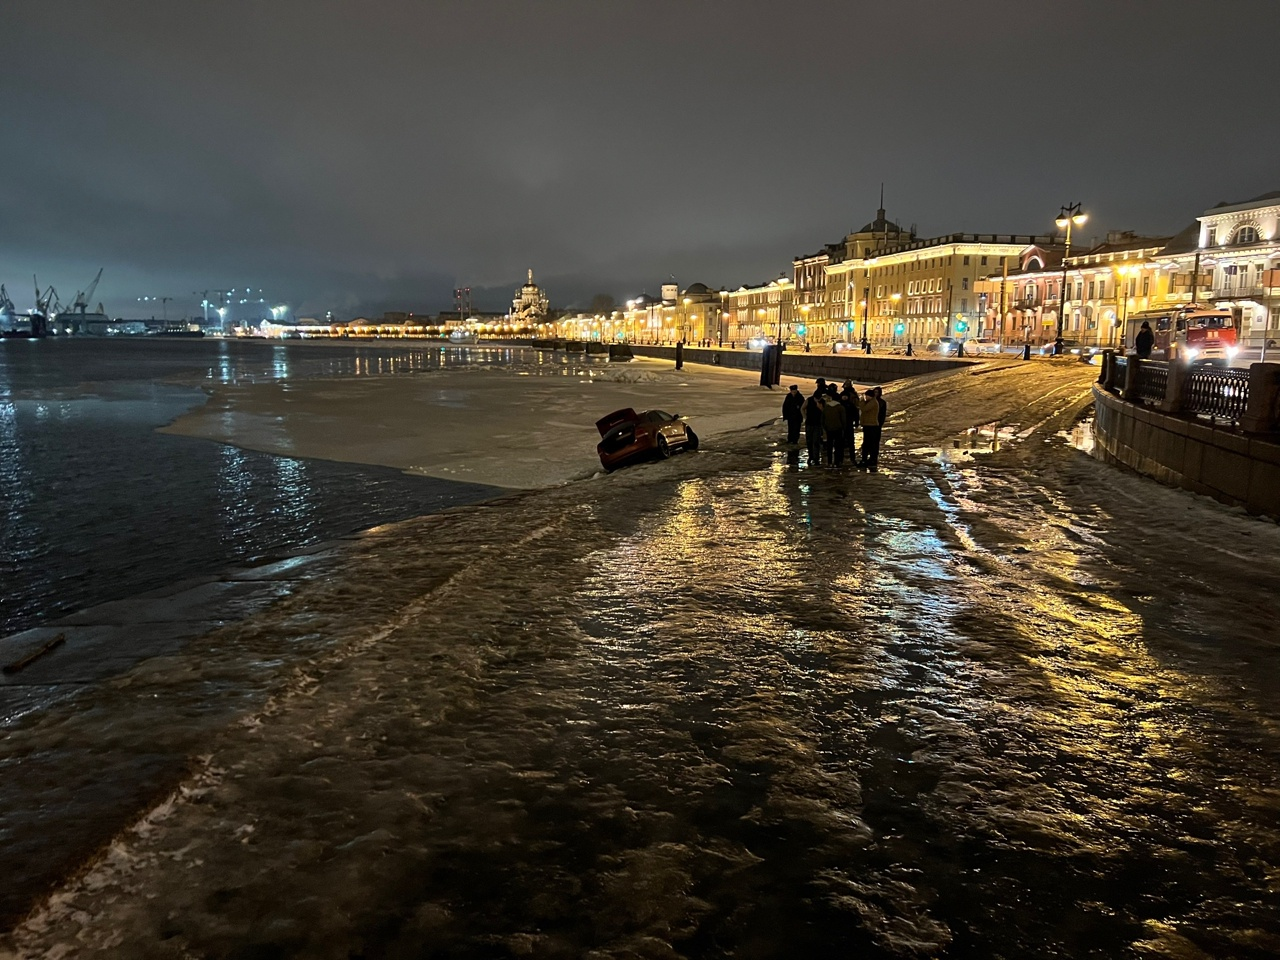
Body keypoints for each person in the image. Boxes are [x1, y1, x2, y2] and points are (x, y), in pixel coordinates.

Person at [822, 383, 847, 466]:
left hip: (829, 429)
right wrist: (844, 427)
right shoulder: (840, 408)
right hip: (838, 429)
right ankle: (837, 461)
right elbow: (843, 419)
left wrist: (825, 427)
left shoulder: (827, 407)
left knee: (829, 446)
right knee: (838, 446)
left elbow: (823, 418)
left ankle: (829, 461)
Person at [858, 388, 883, 469]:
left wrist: (861, 401)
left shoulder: (873, 402)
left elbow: (864, 409)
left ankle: (870, 460)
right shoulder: (870, 402)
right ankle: (866, 459)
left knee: (869, 443)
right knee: (867, 443)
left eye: (866, 396)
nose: (865, 397)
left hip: (871, 426)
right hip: (868, 425)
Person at [804, 382, 826, 463]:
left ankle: (816, 457)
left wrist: (820, 408)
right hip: (809, 423)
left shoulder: (822, 402)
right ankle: (811, 456)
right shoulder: (809, 400)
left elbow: (825, 412)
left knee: (816, 441)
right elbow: (802, 408)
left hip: (818, 424)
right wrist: (805, 417)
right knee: (809, 441)